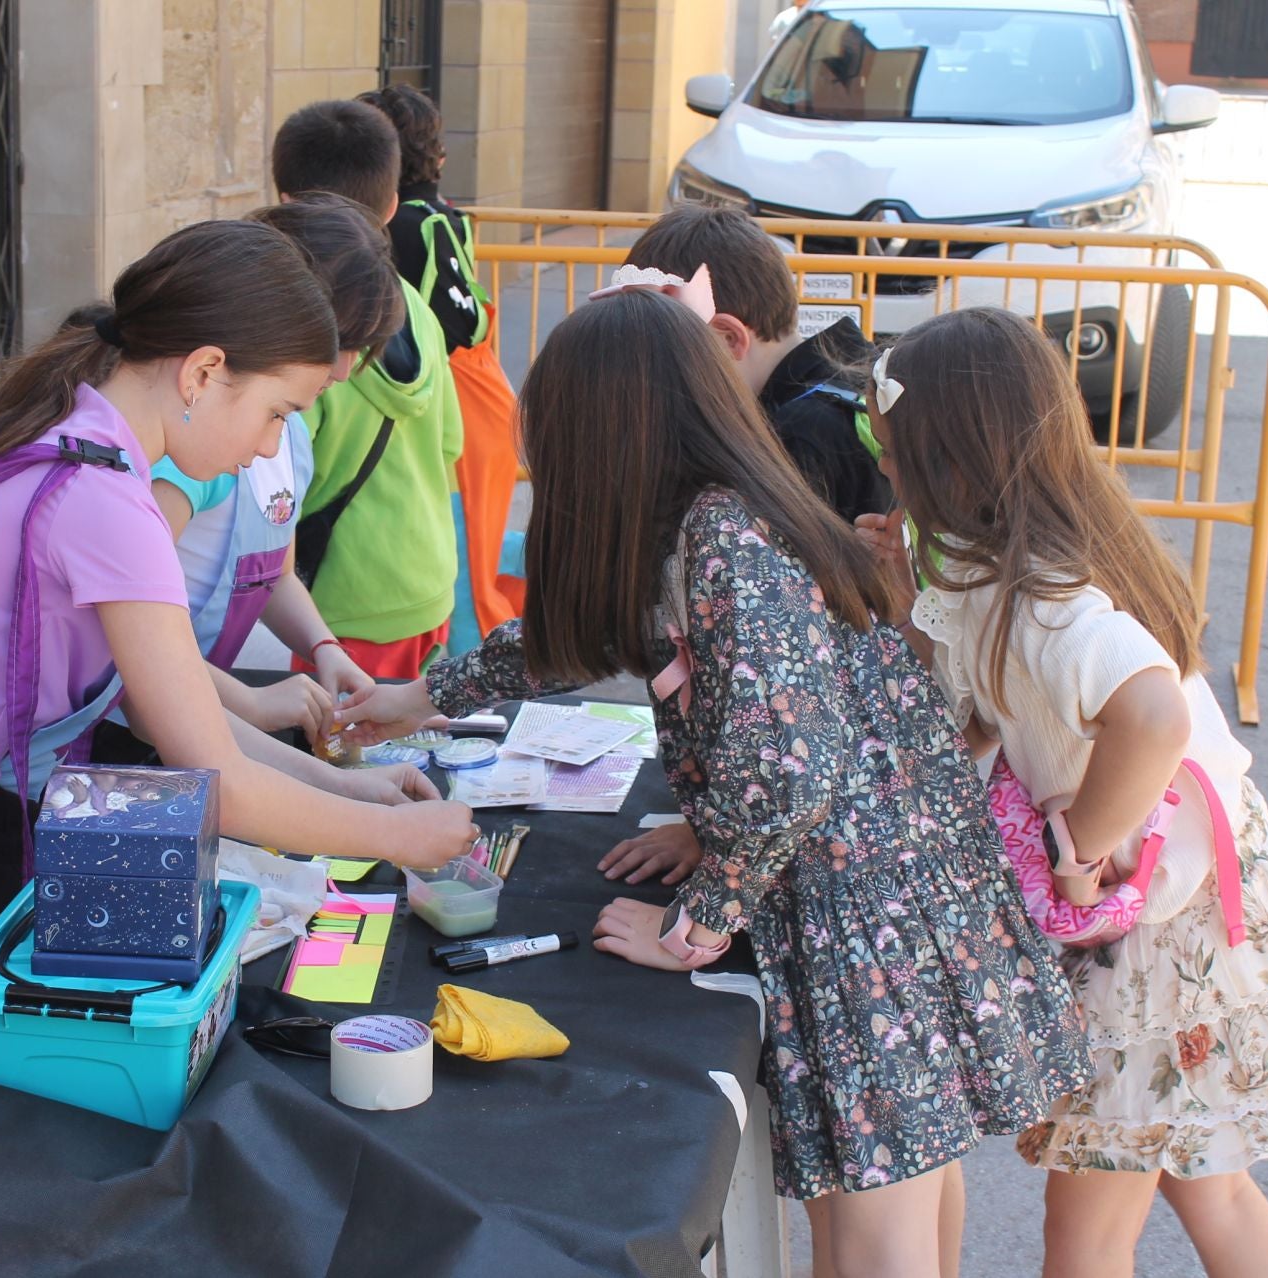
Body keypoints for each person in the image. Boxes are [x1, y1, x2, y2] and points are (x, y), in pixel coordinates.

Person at [336, 279, 1091, 1278]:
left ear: (609, 433)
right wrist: (426, 695)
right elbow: (595, 630)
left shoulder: (724, 541)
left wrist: (697, 923)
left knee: (873, 1231)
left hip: (864, 911)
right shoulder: (713, 516)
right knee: (903, 1181)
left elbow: (787, 774)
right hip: (884, 886)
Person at [0, 220, 478, 1185]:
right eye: (277, 413)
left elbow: (184, 719)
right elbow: (216, 775)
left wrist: (363, 798)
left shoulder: (76, 437)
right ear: (204, 371)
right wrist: (396, 839)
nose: (272, 447)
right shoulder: (108, 507)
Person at [857, 307, 1268, 1278]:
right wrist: (904, 587)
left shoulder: (1047, 596)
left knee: (1089, 1233)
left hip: (1155, 944)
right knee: (1207, 1186)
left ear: (950, 459)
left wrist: (1081, 854)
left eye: (892, 453)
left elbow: (1154, 717)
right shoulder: (995, 564)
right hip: (1195, 907)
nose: (885, 472)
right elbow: (960, 712)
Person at [599, 204, 892, 889]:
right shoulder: (854, 372)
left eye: (663, 365)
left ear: (726, 340)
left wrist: (718, 840)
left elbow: (778, 685)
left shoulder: (798, 443)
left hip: (829, 815)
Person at [135, 195, 407, 745]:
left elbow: (275, 574)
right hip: (144, 717)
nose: (346, 366)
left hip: (196, 705)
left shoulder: (287, 435)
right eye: (341, 339)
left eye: (362, 346)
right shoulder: (196, 447)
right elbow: (131, 638)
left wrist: (324, 648)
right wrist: (249, 702)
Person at [270, 100, 464, 680]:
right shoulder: (417, 308)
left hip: (338, 610)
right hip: (428, 581)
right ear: (392, 209)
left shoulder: (294, 338)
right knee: (411, 759)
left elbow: (276, 482)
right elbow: (451, 443)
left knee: (338, 762)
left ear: (285, 207)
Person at [357, 84, 520, 653]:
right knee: (475, 540)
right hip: (484, 393)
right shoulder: (445, 215)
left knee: (462, 554)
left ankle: (477, 678)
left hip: (455, 401)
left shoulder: (395, 227)